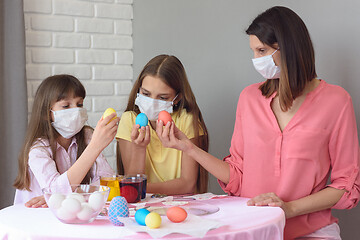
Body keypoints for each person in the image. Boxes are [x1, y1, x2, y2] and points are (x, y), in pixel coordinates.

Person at [155, 6, 360, 240]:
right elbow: (237, 174)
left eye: (262, 50)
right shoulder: (249, 99)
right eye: (254, 52)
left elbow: (346, 184)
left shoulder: (336, 101)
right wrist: (187, 148)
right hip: (254, 228)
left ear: (289, 48)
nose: (256, 60)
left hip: (312, 231)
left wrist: (289, 208)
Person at [13, 74, 119, 207]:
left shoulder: (87, 136)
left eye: (79, 104)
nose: (76, 111)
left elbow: (108, 181)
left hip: (68, 211)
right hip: (35, 216)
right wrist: (95, 147)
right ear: (47, 113)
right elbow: (53, 191)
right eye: (66, 106)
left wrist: (67, 194)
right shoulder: (38, 149)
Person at [116, 54, 209, 195]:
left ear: (177, 98)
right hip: (143, 205)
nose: (152, 102)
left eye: (162, 97)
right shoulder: (129, 120)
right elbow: (132, 179)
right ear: (138, 90)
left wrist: (142, 188)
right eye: (146, 94)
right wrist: (139, 148)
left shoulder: (186, 120)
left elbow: (188, 184)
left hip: (182, 204)